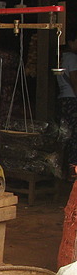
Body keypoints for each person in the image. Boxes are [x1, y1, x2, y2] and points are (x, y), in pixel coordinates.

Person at [58, 29, 77, 180]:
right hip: (72, 99)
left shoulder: (61, 57)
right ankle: (72, 171)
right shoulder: (71, 57)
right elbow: (74, 80)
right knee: (73, 136)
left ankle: (63, 170)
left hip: (64, 98)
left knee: (65, 134)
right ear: (71, 42)